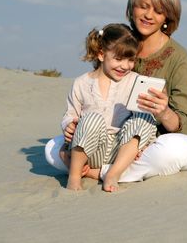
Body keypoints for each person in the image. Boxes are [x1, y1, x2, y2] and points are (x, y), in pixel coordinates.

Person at [45, 0, 187, 183]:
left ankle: (96, 172)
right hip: (119, 140)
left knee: (169, 152)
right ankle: (113, 169)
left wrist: (163, 112)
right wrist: (73, 126)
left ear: (168, 18)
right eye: (143, 6)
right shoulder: (123, 40)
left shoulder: (178, 58)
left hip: (171, 138)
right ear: (132, 7)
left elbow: (186, 126)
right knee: (51, 149)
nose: (148, 15)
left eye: (158, 11)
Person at [53, 23, 157, 191]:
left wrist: (142, 142)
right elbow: (69, 114)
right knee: (90, 119)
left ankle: (112, 174)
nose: (125, 66)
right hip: (92, 148)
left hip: (121, 150)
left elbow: (142, 125)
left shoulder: (135, 80)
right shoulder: (81, 83)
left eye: (131, 60)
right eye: (118, 59)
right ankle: (74, 176)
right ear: (101, 55)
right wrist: (69, 125)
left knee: (144, 116)